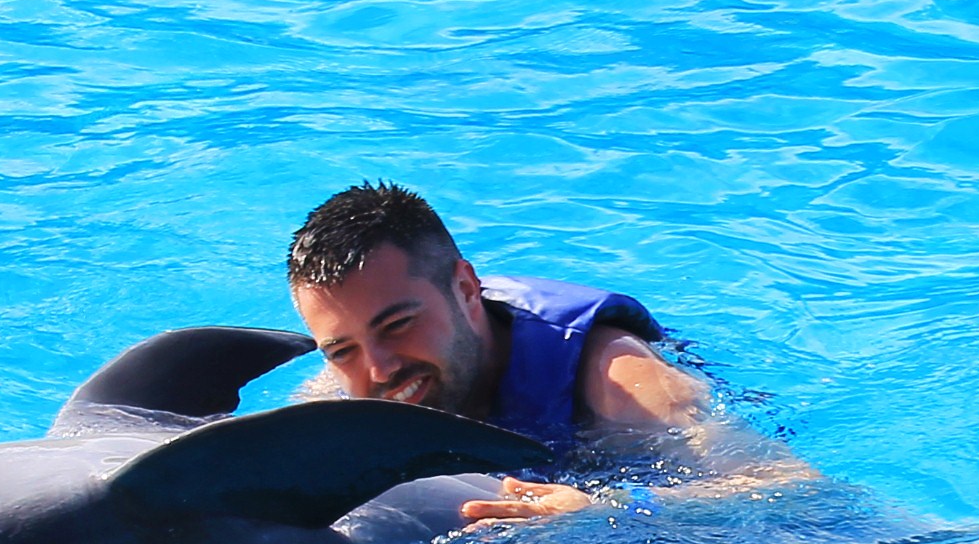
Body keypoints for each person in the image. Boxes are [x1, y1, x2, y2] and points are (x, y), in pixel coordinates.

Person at [285, 182, 806, 526]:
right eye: (342, 349)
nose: (379, 369)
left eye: (398, 325)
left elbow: (787, 486)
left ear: (465, 289)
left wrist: (607, 508)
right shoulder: (342, 390)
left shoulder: (619, 378)